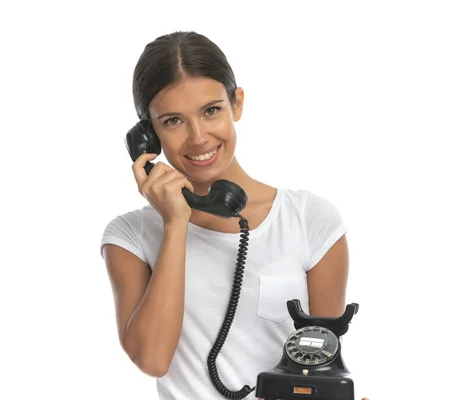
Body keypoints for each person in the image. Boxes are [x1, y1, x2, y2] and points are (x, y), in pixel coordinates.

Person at [100, 31, 368, 400]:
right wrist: (175, 223)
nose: (198, 139)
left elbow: (322, 368)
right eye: (174, 121)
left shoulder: (310, 221)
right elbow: (153, 359)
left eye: (211, 111)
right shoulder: (129, 236)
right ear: (148, 134)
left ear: (236, 103)